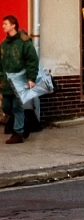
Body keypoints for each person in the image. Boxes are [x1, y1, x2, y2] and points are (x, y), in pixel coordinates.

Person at [0, 15, 39, 144]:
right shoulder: (4, 44)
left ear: (13, 25)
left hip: (20, 80)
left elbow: (32, 61)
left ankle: (18, 134)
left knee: (17, 107)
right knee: (6, 107)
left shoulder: (24, 42)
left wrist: (31, 78)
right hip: (7, 82)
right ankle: (25, 123)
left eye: (5, 24)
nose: (3, 26)